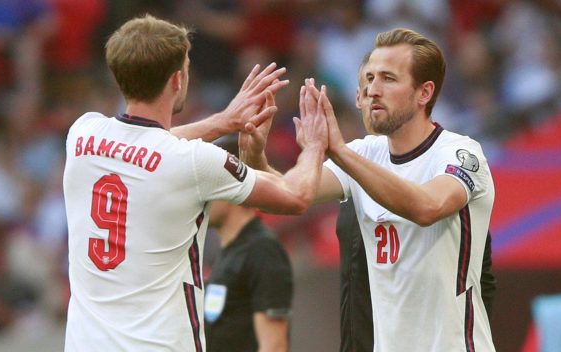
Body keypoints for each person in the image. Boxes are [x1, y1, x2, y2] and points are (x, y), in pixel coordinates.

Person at [62, 14, 328, 351]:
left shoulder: (82, 134)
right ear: (177, 80)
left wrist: (223, 122)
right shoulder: (195, 162)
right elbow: (298, 195)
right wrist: (315, 146)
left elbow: (147, 145)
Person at [241, 28, 496, 351]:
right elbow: (288, 195)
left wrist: (340, 152)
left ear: (424, 93)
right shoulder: (365, 153)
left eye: (389, 79)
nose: (373, 90)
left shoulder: (461, 153)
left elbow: (428, 207)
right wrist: (254, 154)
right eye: (369, 78)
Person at [335, 54, 498, 352]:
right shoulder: (352, 172)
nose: (374, 93)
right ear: (358, 98)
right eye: (368, 84)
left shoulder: (449, 160)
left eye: (387, 81)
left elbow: (480, 278)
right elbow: (352, 290)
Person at [204, 136, 293, 352]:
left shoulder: (262, 249)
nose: (202, 194)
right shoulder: (227, 252)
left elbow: (273, 346)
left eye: (209, 184)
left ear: (234, 187)